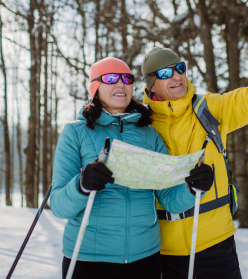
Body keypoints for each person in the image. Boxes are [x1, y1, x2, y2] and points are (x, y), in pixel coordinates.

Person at [141, 18, 248, 279]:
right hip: (163, 252)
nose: (177, 76)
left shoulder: (209, 108)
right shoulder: (142, 125)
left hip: (216, 245)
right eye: (166, 73)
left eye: (180, 68)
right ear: (150, 84)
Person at [49, 57, 215, 279]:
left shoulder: (149, 134)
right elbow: (59, 205)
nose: (120, 84)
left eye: (126, 78)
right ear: (95, 88)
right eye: (110, 79)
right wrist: (81, 185)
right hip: (88, 257)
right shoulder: (76, 133)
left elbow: (168, 198)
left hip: (145, 258)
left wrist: (193, 188)